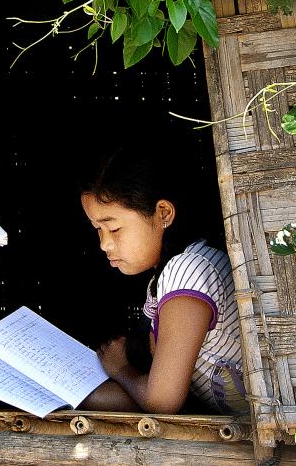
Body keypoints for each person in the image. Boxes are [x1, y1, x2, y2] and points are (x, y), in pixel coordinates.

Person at [77, 148, 245, 415]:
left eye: (115, 228)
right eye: (98, 229)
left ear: (164, 213)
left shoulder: (189, 270)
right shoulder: (169, 275)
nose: (105, 243)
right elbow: (150, 397)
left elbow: (161, 401)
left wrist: (120, 369)